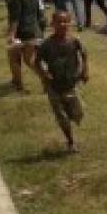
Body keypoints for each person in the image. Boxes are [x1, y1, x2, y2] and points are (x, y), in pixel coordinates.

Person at [33, 11, 89, 153]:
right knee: (62, 117)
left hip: (71, 84)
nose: (62, 25)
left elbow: (84, 54)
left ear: (70, 23)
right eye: (59, 22)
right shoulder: (47, 44)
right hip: (54, 87)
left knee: (78, 113)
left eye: (65, 21)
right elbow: (37, 62)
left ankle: (70, 117)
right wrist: (44, 75)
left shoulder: (74, 41)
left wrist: (85, 70)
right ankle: (70, 141)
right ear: (53, 24)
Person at [5, 0, 46, 91]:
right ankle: (19, 81)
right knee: (30, 59)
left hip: (22, 33)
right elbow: (40, 14)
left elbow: (15, 18)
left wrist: (11, 35)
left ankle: (20, 83)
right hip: (35, 30)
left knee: (16, 58)